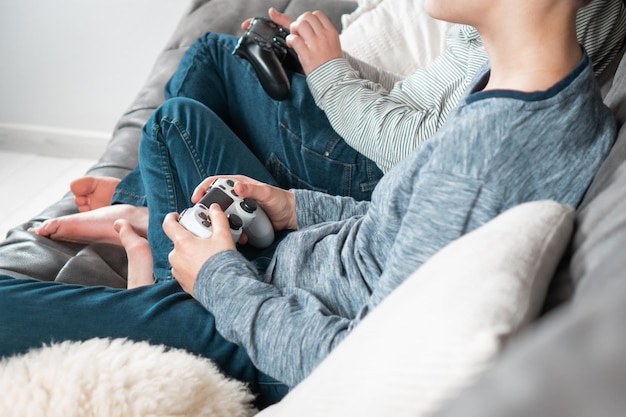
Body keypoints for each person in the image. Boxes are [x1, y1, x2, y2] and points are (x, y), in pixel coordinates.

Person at [1, 0, 617, 408]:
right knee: (180, 122)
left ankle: (154, 282)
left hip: (257, 330)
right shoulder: (527, 92)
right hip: (274, 271)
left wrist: (217, 279)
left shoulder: (490, 155)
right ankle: (152, 261)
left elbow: (354, 356)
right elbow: (394, 229)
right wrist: (295, 206)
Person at [29, 1, 626, 288]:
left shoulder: (539, 64)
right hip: (354, 193)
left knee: (179, 114)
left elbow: (418, 151)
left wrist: (330, 73)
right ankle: (147, 203)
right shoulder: (499, 45)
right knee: (208, 68)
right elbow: (428, 100)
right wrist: (331, 65)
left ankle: (149, 218)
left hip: (369, 169)